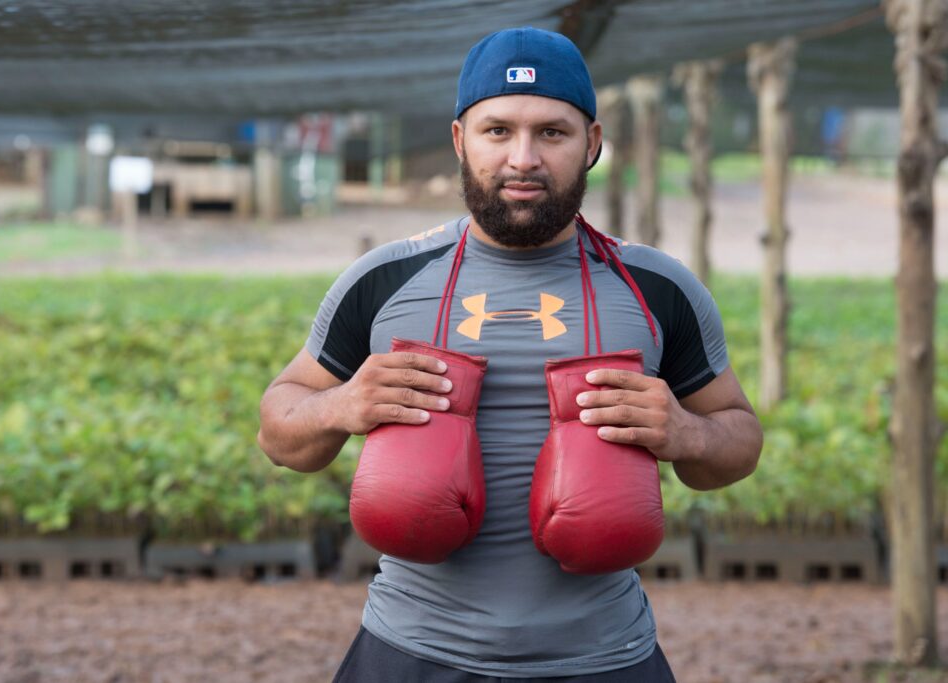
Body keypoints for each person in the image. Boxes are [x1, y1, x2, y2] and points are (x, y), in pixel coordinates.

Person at [257, 26, 763, 682]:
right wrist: (341, 405)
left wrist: (686, 430)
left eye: (551, 132)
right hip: (409, 654)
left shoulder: (658, 287)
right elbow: (278, 428)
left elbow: (740, 440)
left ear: (594, 144)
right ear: (459, 140)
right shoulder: (383, 279)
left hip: (607, 659)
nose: (522, 157)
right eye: (498, 130)